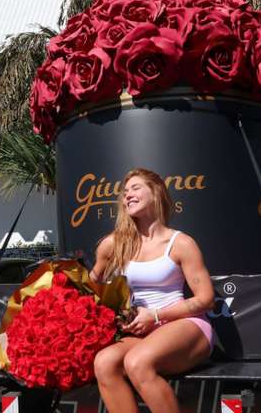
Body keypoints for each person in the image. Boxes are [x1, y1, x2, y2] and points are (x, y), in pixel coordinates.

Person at [90, 168, 215, 413]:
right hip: (142, 332)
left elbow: (206, 299)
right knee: (104, 363)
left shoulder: (181, 243)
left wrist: (155, 315)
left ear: (156, 192)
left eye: (136, 188)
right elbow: (91, 285)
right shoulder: (115, 244)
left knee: (137, 362)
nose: (128, 195)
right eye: (125, 192)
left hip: (185, 324)